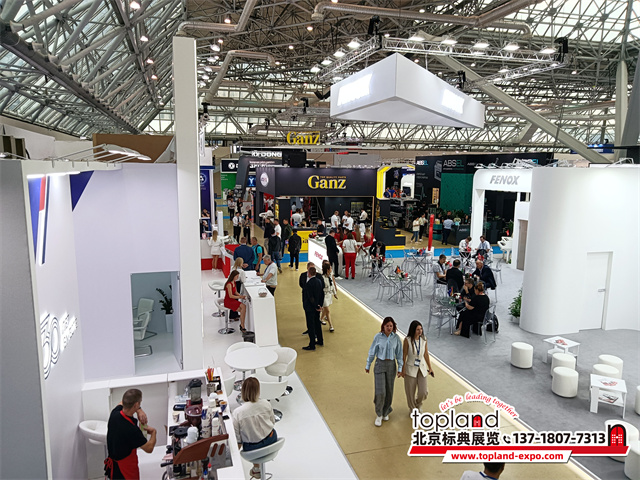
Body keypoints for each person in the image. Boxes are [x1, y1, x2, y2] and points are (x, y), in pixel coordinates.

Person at [105, 389, 156, 479]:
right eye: (139, 403)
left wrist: (139, 410)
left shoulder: (114, 413)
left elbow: (121, 403)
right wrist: (153, 433)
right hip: (125, 471)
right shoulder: (131, 429)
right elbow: (149, 448)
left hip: (113, 467)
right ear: (136, 404)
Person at [233, 377, 278, 480]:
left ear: (243, 391)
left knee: (249, 438)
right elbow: (272, 422)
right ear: (258, 390)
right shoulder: (266, 403)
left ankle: (256, 468)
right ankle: (257, 468)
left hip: (252, 449)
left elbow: (237, 439)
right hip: (271, 440)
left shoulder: (238, 413)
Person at [365, 317, 403, 426]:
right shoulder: (378, 337)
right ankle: (379, 414)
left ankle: (386, 411)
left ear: (393, 327)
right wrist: (368, 364)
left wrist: (400, 368)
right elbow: (372, 351)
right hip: (380, 365)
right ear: (383, 326)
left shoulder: (396, 338)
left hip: (391, 365)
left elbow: (399, 354)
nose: (389, 328)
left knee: (389, 390)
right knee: (380, 391)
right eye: (387, 326)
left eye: (391, 326)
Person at [402, 321, 434, 414]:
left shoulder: (424, 339)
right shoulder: (407, 340)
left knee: (423, 391)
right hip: (410, 368)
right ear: (413, 330)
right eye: (417, 330)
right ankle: (412, 409)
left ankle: (418, 404)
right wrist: (402, 369)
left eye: (421, 329)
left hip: (422, 368)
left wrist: (430, 367)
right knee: (410, 392)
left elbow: (426, 354)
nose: (420, 331)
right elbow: (404, 355)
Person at [302, 265, 325, 351]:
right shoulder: (319, 281)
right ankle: (320, 340)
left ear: (309, 273)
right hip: (318, 307)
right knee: (317, 323)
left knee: (311, 325)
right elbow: (322, 294)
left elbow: (310, 297)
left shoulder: (308, 284)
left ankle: (312, 344)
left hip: (310, 308)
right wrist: (320, 305)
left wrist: (315, 306)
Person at [321, 262, 337, 332]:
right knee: (327, 310)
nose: (331, 269)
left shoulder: (330, 276)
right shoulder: (322, 278)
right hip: (324, 295)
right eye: (330, 268)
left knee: (325, 310)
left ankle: (320, 319)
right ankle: (331, 326)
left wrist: (334, 293)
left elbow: (332, 285)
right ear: (327, 269)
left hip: (329, 295)